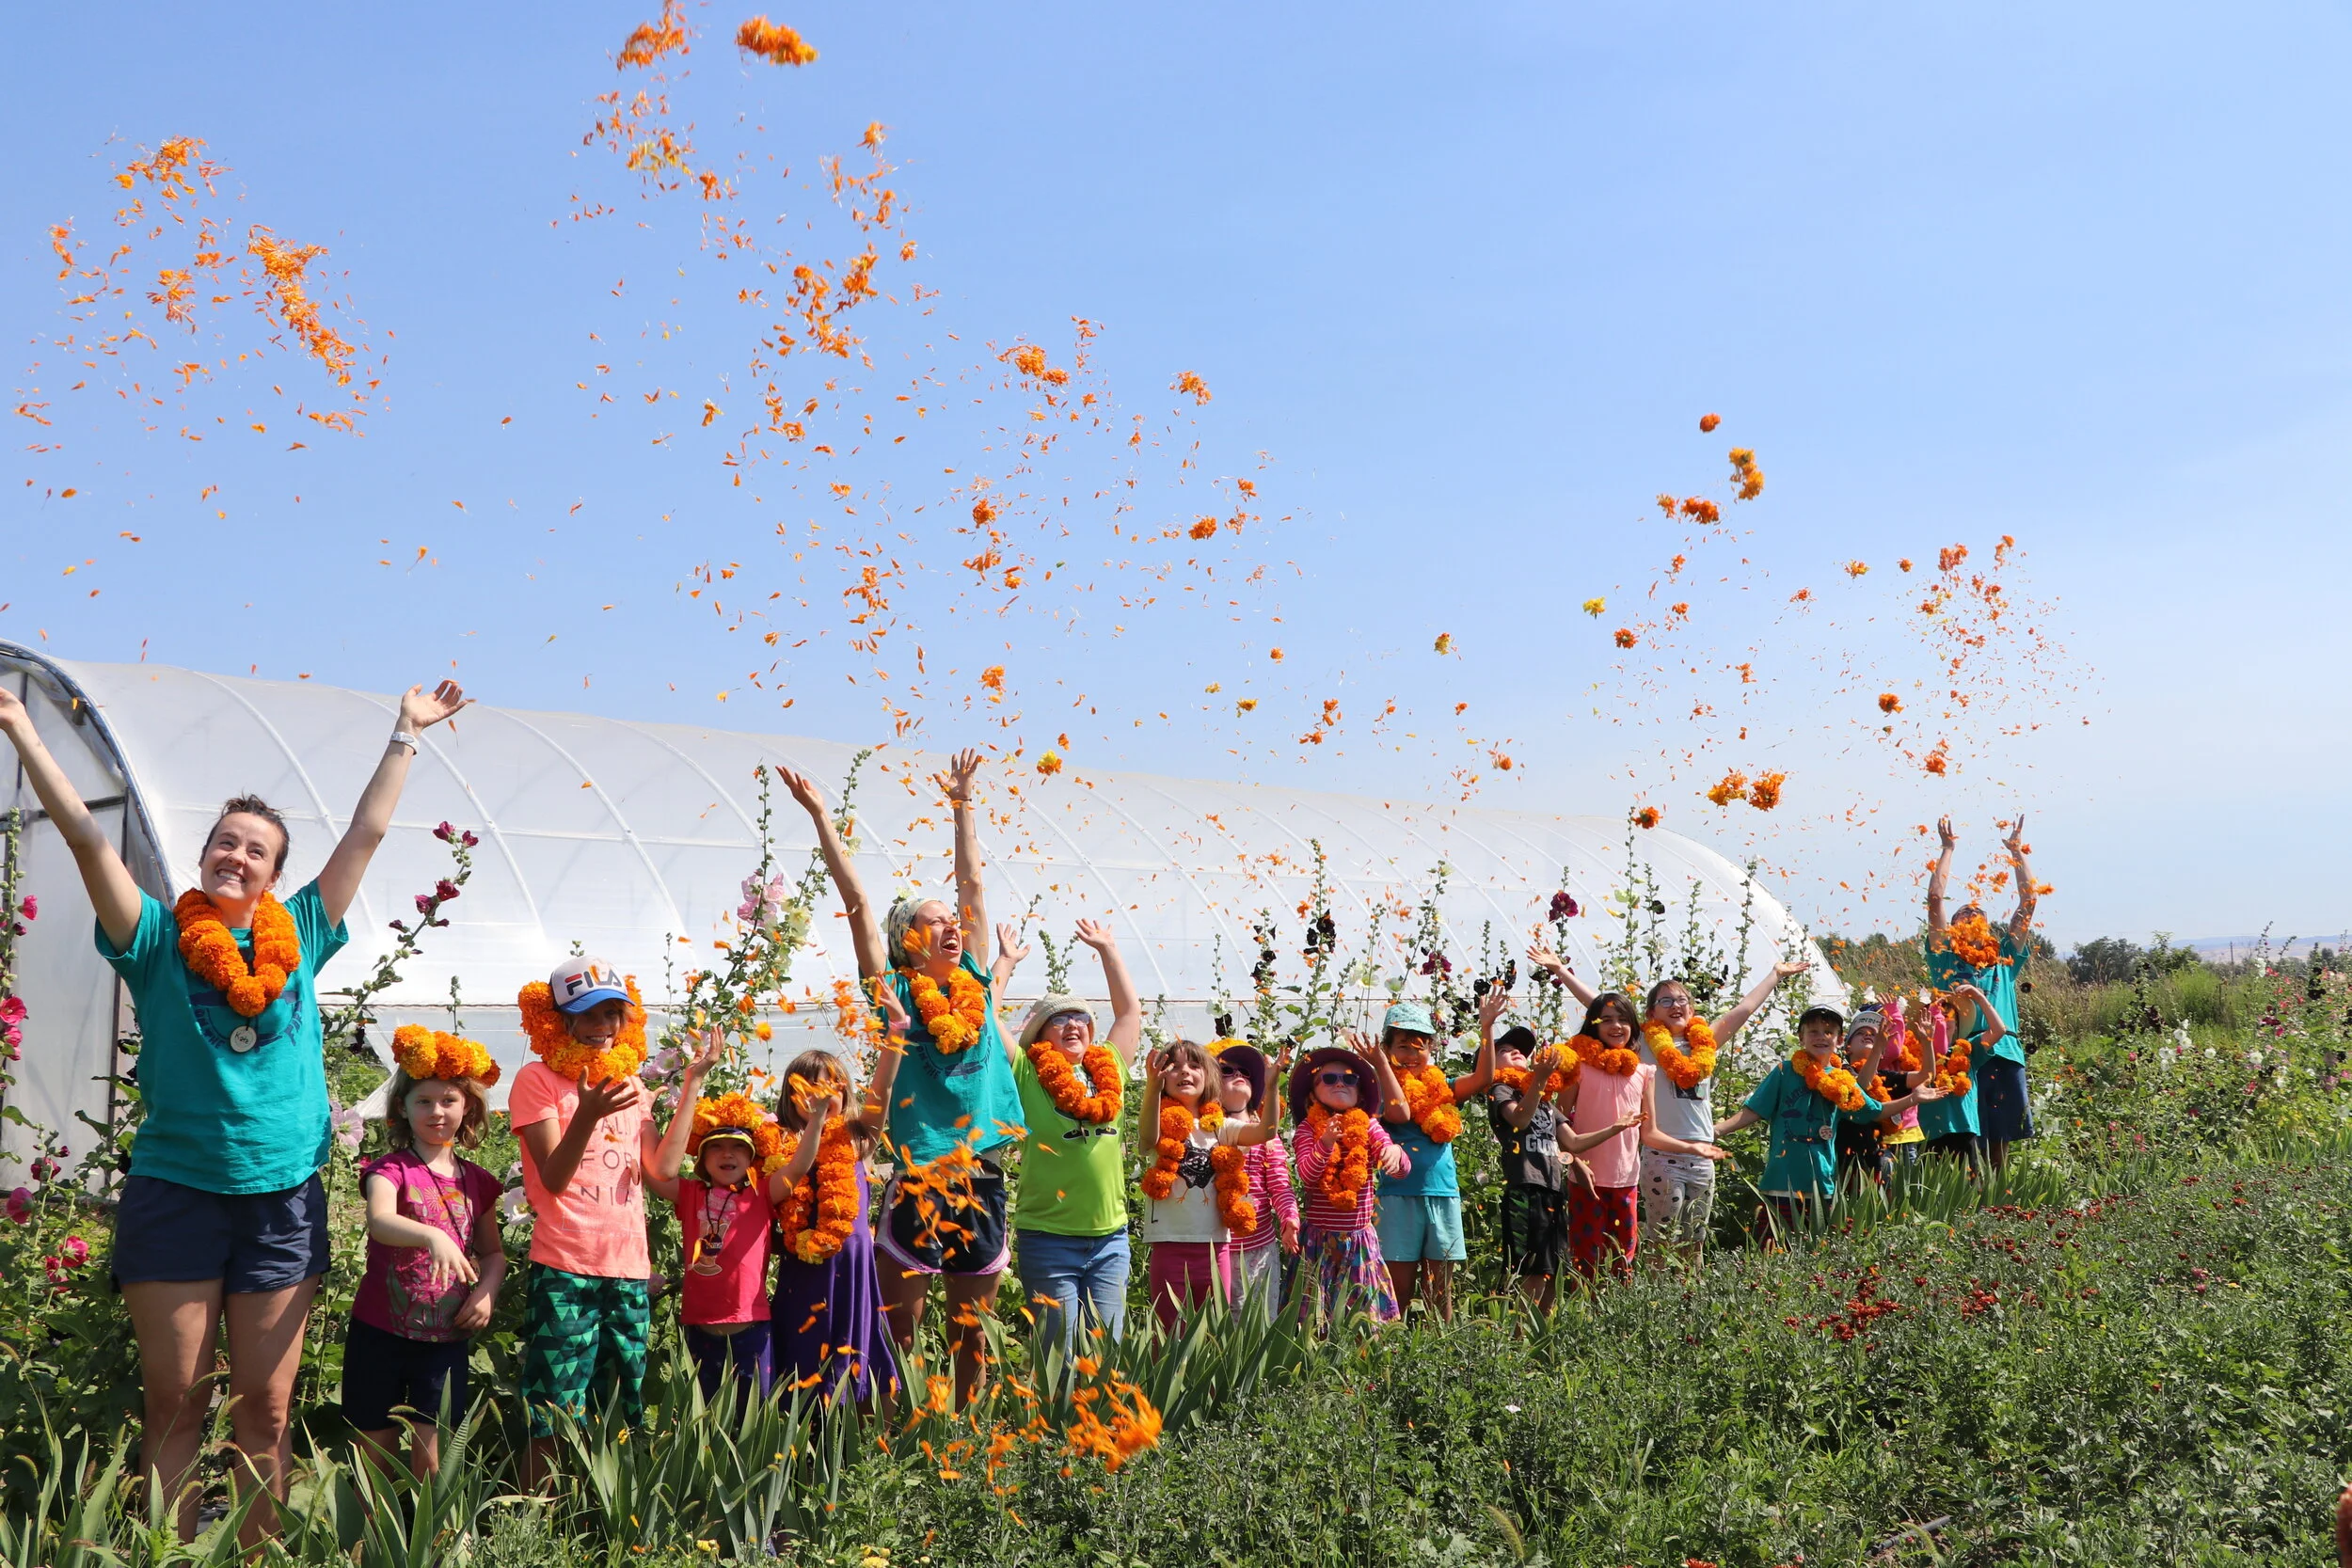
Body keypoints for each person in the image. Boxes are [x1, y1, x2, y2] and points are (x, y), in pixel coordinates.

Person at [0, 676, 467, 1542]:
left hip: (281, 1201)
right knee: (175, 1404)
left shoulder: (305, 930)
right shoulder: (153, 936)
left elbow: (365, 835)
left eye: (256, 849)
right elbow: (82, 838)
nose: (237, 856)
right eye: (225, 841)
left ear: (276, 874)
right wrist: (23, 728)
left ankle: (256, 1558)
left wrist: (405, 732)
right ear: (204, 855)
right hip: (177, 1192)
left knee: (269, 1408)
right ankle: (170, 1558)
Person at [780, 751, 1024, 1408]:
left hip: (986, 1174)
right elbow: (858, 903)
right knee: (902, 1329)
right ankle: (890, 1437)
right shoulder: (894, 992)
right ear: (906, 940)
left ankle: (967, 1442)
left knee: (972, 1331)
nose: (951, 924)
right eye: (934, 920)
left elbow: (973, 882)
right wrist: (822, 818)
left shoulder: (975, 980)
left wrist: (962, 799)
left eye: (953, 920)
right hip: (919, 1177)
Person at [1529, 944, 1805, 1271]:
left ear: (1691, 1008)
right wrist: (1560, 970)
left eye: (1682, 1000)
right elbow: (1599, 1007)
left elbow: (1743, 1010)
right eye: (1666, 1001)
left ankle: (1688, 1301)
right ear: (1650, 1014)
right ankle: (1655, 1298)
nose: (1676, 1005)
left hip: (1703, 1153)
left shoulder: (1706, 1041)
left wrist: (1775, 974)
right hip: (1662, 1155)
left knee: (1696, 1240)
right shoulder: (1644, 1043)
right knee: (1663, 1238)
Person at [509, 958, 678, 1485]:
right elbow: (554, 1178)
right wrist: (585, 1114)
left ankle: (597, 1520)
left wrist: (692, 1084)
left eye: (614, 1013)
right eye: (589, 1014)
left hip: (628, 1267)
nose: (604, 1025)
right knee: (554, 1406)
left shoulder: (632, 1085)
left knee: (621, 1401)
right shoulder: (536, 1081)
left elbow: (660, 1172)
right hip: (566, 1264)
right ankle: (535, 1524)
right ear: (560, 1021)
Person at [342, 1028, 504, 1478]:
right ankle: (363, 1545)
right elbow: (379, 1220)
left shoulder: (480, 1182)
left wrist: (487, 1291)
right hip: (380, 1331)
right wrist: (433, 1236)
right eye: (424, 1101)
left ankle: (431, 1544)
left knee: (433, 1464)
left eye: (448, 1100)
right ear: (402, 1108)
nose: (437, 1112)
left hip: (446, 1337)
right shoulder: (389, 1170)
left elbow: (493, 1254)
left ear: (467, 1106)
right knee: (373, 1458)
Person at [1005, 921, 1142, 1353]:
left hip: (1110, 1239)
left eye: (1080, 1017)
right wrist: (1005, 964)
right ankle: (1054, 1422)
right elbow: (989, 1020)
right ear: (1040, 1035)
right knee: (1057, 1355)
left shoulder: (1111, 1069)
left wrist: (1108, 950)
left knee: (1108, 1352)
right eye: (1058, 1019)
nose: (1072, 1024)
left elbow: (1130, 1014)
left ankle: (1108, 1424)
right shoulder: (1027, 1072)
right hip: (1048, 1238)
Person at [1713, 1005, 1947, 1239]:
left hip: (1821, 1185)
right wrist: (1718, 1129)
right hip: (1780, 1182)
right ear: (1801, 1037)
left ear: (1839, 1040)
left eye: (1828, 1032)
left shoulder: (1843, 1080)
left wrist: (1913, 1098)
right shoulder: (1784, 1072)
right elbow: (1755, 1110)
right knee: (1770, 1250)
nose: (1821, 1037)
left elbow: (1874, 1111)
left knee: (1813, 1255)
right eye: (1813, 1031)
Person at [769, 1020, 903, 1406]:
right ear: (790, 1096)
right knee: (804, 1356)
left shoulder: (857, 1140)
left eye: (832, 1086)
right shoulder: (779, 1148)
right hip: (805, 1270)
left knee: (856, 1357)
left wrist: (895, 1035)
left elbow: (884, 1089)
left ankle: (855, 1453)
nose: (821, 1096)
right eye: (810, 1087)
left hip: (853, 1271)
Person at [651, 1075, 786, 1403]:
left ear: (752, 1160)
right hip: (699, 1328)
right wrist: (644, 1117)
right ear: (701, 1160)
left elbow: (796, 1170)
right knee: (705, 1419)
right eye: (717, 1147)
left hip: (750, 1326)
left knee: (756, 1421)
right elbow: (655, 1171)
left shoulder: (762, 1194)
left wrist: (818, 1118)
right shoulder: (690, 1194)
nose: (728, 1154)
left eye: (739, 1147)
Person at [1136, 1039, 1284, 1333]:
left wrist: (1272, 1085)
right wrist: (1152, 1088)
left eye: (1194, 1065)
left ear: (1209, 1076)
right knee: (1169, 1334)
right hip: (1169, 1244)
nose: (1184, 1072)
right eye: (1173, 1066)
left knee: (1212, 1334)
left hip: (1215, 1248)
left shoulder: (1221, 1126)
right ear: (1162, 1076)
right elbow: (1148, 1137)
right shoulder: (1160, 1120)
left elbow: (1267, 1131)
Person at [1364, 996, 1495, 1322]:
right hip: (1397, 1197)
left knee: (1440, 1291)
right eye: (1403, 1047)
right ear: (1387, 1049)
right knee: (1398, 1290)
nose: (1411, 1055)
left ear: (1431, 1050)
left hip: (1443, 1195)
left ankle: (1444, 1355)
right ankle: (1393, 1357)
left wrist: (1487, 1028)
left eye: (1419, 1047)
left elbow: (1482, 1078)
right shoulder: (1378, 1092)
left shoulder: (1443, 1088)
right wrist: (1380, 1065)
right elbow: (1399, 1111)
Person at [1927, 815, 2039, 1169]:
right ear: (1955, 929)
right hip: (1962, 1054)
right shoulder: (1943, 959)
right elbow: (1934, 901)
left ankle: (1998, 1204)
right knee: (1966, 1139)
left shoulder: (2003, 958)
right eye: (1964, 917)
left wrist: (2017, 853)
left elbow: (2028, 903)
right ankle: (1967, 1204)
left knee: (2000, 1143)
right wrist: (1947, 849)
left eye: (1979, 917)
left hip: (2004, 1050)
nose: (1972, 919)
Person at [1286, 1042, 1410, 1326]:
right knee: (1316, 1319)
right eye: (1329, 1079)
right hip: (1318, 1241)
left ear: (1359, 1091)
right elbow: (1307, 1175)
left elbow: (1401, 1169)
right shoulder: (1307, 1129)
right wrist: (1326, 1142)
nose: (1339, 1083)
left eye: (1349, 1078)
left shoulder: (1367, 1125)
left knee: (1362, 1318)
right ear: (1312, 1092)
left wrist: (1396, 1154)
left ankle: (1360, 1366)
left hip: (1359, 1240)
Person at [1554, 993, 1653, 1280]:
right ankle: (1583, 1320)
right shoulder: (1580, 1068)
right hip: (1586, 1179)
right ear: (1592, 1026)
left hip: (1627, 1181)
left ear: (1634, 1026)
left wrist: (1694, 1146)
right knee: (1586, 1260)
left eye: (1623, 1019)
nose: (1617, 1026)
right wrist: (1572, 1163)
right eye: (1607, 1020)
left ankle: (1618, 1321)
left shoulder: (1643, 1072)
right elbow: (1557, 1123)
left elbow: (1650, 1132)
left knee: (1624, 1260)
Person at [1486, 1024, 1579, 1312]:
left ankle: (1542, 1336)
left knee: (1554, 1270)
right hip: (1525, 1190)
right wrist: (1539, 1079)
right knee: (1532, 1270)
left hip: (1553, 1191)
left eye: (1520, 1050)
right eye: (1504, 1050)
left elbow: (1572, 1143)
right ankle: (1521, 1338)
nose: (1516, 1051)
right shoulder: (1500, 1090)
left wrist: (1618, 1127)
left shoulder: (1546, 1102)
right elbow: (1520, 1120)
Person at [1217, 1040, 1298, 1310]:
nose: (1238, 1074)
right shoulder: (1205, 1133)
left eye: (1246, 1072)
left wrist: (1289, 1218)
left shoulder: (1266, 1137)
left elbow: (1280, 1183)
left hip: (1258, 1248)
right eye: (1227, 1070)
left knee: (1258, 1327)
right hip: (1212, 1247)